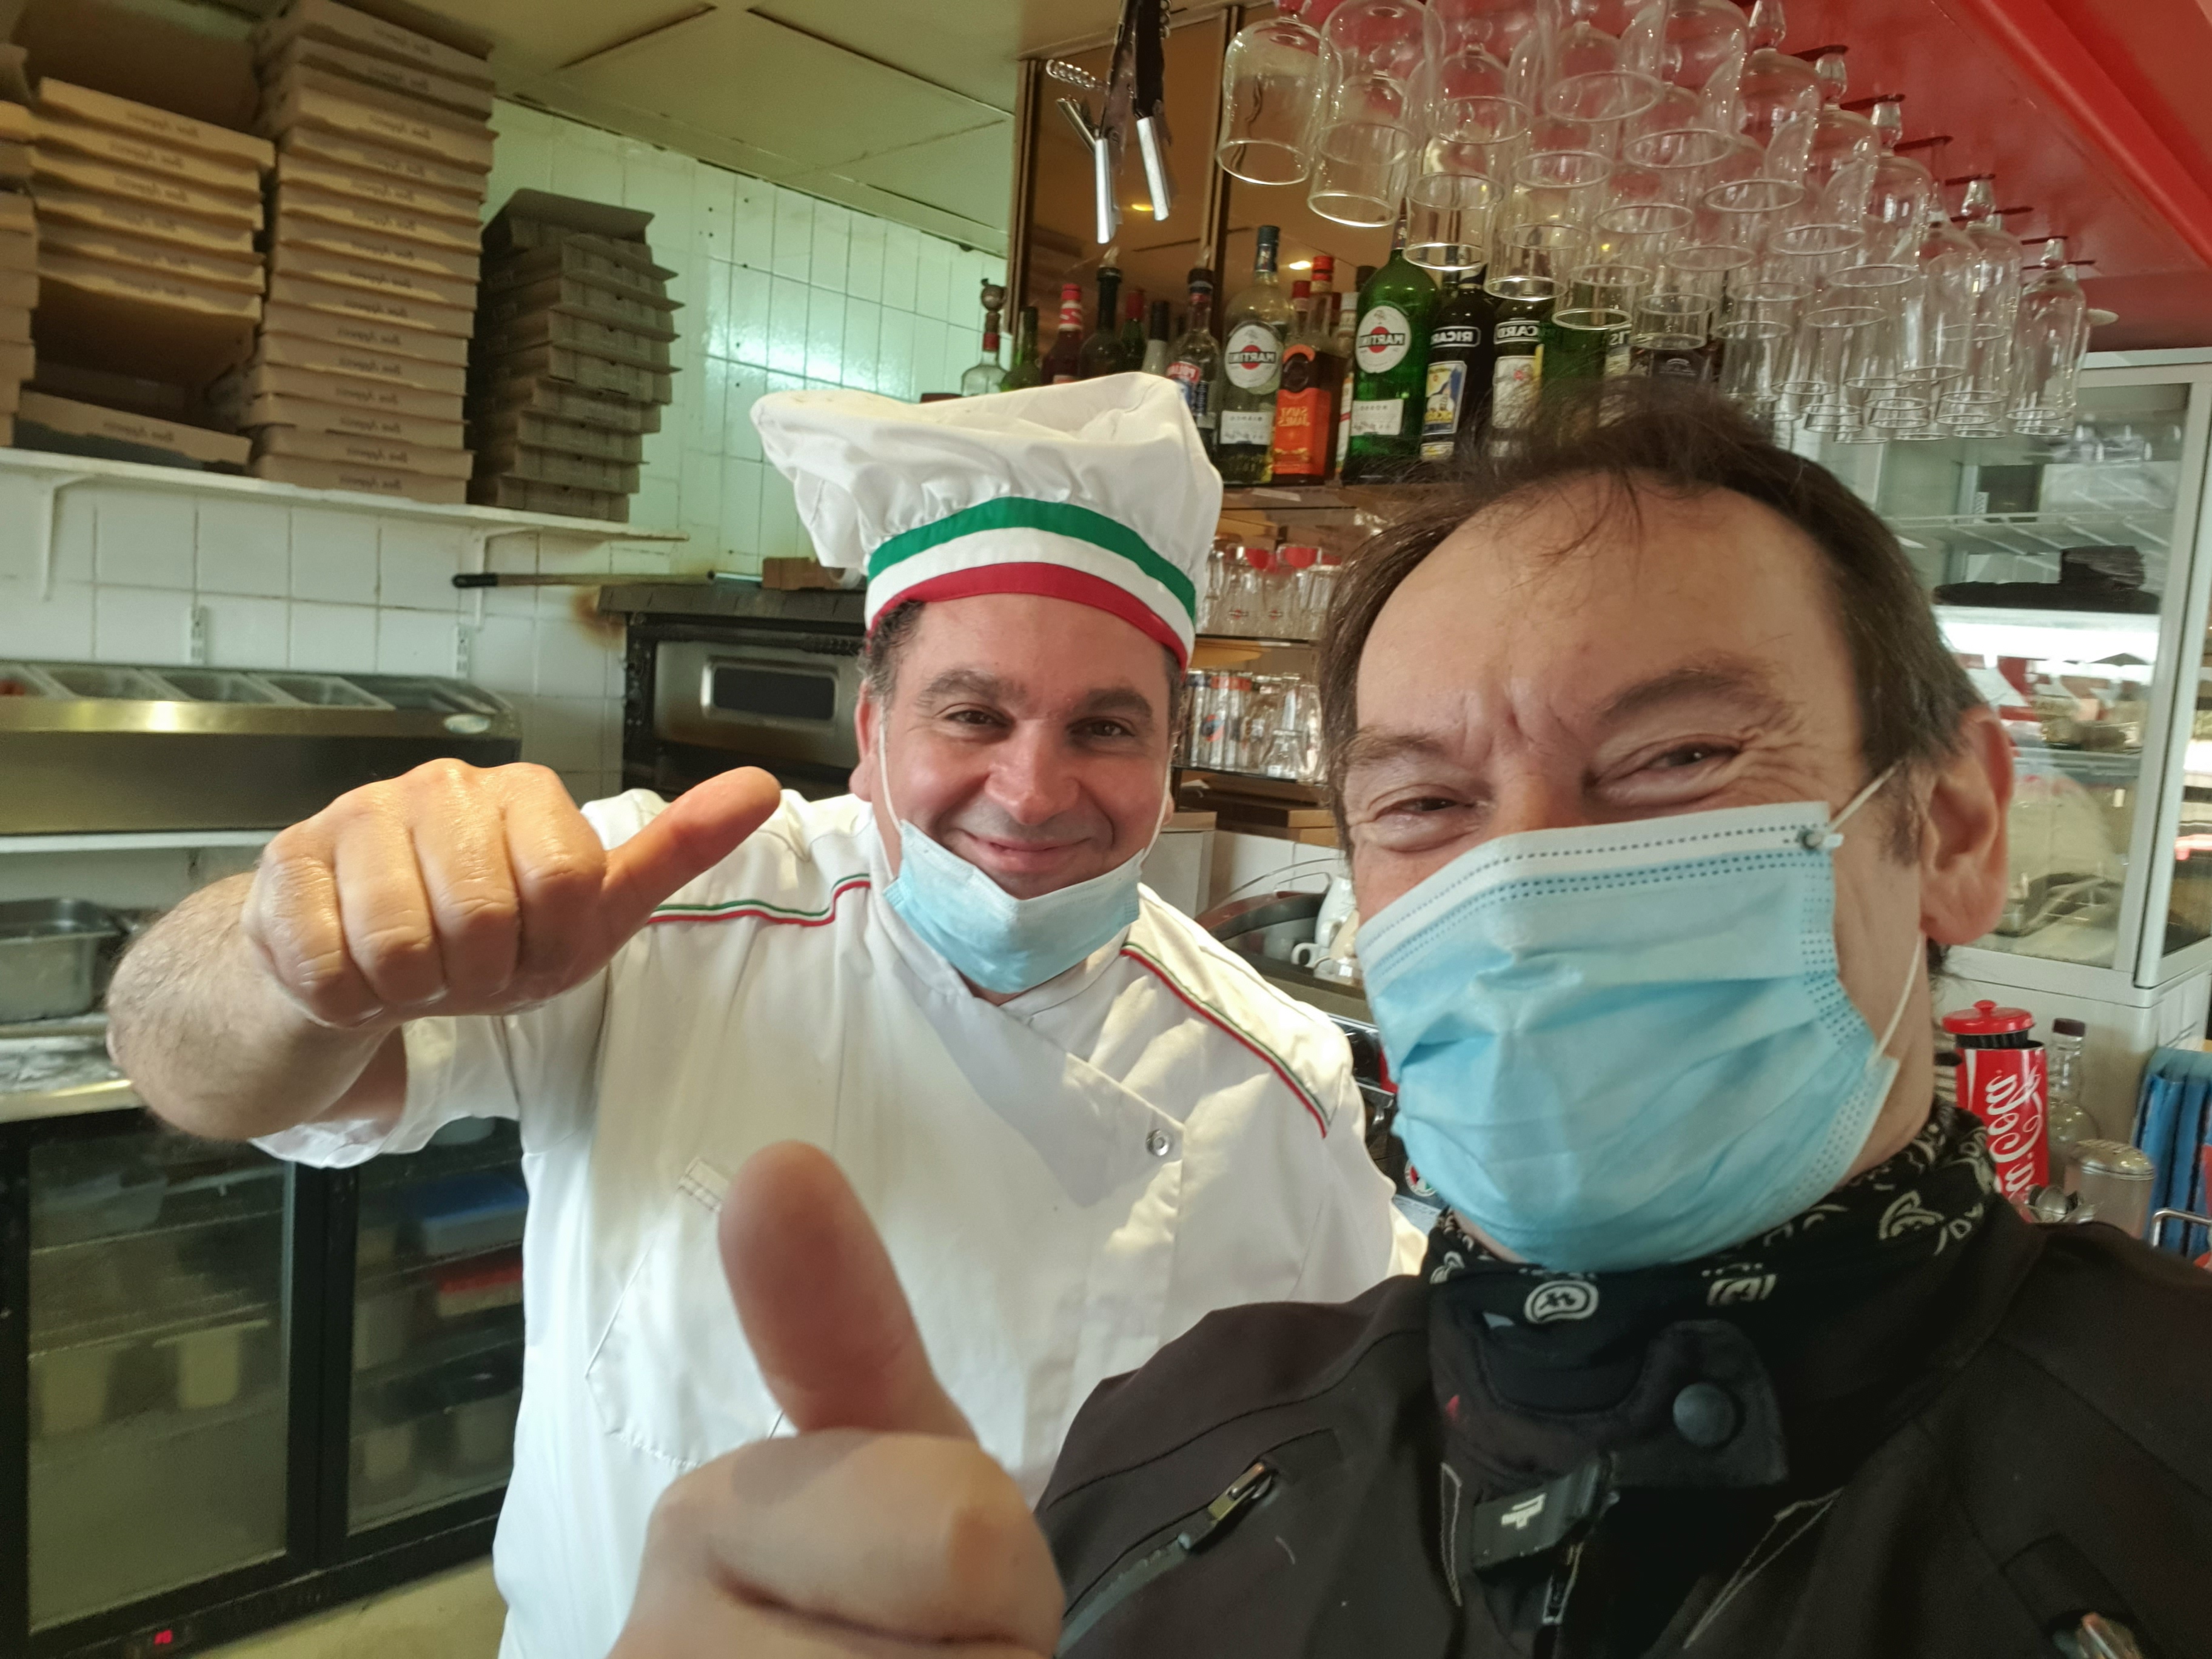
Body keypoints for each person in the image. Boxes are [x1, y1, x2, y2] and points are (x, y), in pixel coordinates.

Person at [602, 384, 2212, 1659]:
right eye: (1428, 803)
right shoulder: (1181, 1457)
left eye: (1674, 761)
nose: (1524, 891)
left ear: (1952, 828)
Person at [104, 375, 1419, 1659]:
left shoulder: (1274, 1084)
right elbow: (185, 1061)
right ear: (871, 730)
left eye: (1104, 729)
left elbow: (1351, 1480)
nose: (1031, 790)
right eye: (973, 714)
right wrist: (295, 958)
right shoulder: (651, 909)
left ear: (1169, 756)